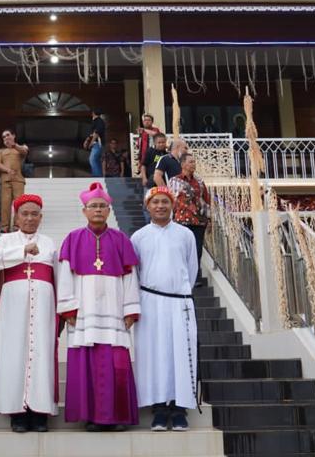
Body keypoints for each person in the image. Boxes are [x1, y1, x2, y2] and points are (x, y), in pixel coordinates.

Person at [57, 183, 140, 432]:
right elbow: (65, 276)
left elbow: (130, 276)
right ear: (84, 211)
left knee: (117, 365)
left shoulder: (121, 240)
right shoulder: (72, 238)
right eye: (93, 206)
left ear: (109, 210)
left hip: (115, 313)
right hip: (84, 314)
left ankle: (117, 417)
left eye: (102, 206)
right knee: (87, 365)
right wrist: (69, 309)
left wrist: (130, 309)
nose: (98, 210)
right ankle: (91, 416)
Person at [0, 194, 58, 433]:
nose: (29, 218)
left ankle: (39, 412)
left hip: (44, 306)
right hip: (13, 305)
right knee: (13, 352)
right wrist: (23, 249)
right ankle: (17, 411)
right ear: (16, 216)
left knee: (41, 353)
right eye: (25, 213)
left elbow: (58, 274)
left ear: (41, 217)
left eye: (34, 214)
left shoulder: (50, 242)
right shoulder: (6, 240)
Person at [131, 187, 200, 431]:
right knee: (153, 354)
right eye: (155, 202)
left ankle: (179, 408)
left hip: (179, 301)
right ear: (147, 206)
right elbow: (135, 273)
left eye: (164, 202)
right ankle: (158, 408)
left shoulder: (185, 235)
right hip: (150, 301)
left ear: (172, 205)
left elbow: (191, 268)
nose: (160, 206)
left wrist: (179, 293)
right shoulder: (138, 237)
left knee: (180, 353)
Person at [168, 153, 210, 287]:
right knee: (181, 249)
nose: (193, 164)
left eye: (194, 162)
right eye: (190, 162)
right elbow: (170, 200)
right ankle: (181, 275)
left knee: (197, 249)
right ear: (183, 164)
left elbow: (206, 201)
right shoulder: (174, 181)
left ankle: (195, 277)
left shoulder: (199, 181)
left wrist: (209, 219)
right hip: (181, 220)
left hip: (199, 221)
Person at [0, 129, 29, 232]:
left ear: (13, 136)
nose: (6, 138)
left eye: (8, 135)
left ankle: (17, 226)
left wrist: (14, 145)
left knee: (18, 204)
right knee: (5, 204)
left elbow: (24, 152)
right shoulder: (1, 151)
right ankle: (5, 227)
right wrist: (7, 170)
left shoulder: (21, 148)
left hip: (18, 180)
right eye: (4, 137)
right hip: (5, 180)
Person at [86, 109, 107, 177]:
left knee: (92, 159)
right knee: (96, 160)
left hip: (97, 143)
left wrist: (90, 143)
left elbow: (96, 133)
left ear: (93, 113)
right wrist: (87, 141)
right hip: (96, 144)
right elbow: (92, 134)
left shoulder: (99, 121)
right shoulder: (96, 121)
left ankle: (97, 177)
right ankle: (98, 176)